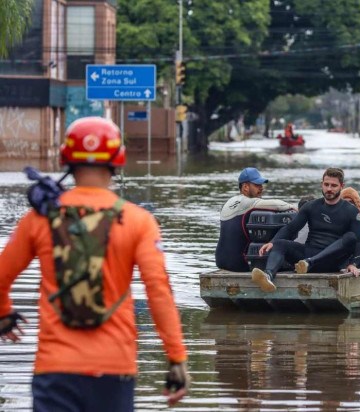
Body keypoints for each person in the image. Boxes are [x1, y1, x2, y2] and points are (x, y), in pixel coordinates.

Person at [0, 117, 189, 410]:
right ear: (118, 159)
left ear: (66, 159)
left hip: (55, 369)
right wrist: (176, 357)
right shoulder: (139, 221)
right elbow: (158, 292)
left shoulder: (39, 218)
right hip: (114, 369)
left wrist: (4, 313)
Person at [251, 168, 360, 293]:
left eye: (334, 185)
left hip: (332, 262)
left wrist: (353, 264)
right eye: (326, 184)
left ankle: (309, 262)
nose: (329, 189)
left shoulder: (351, 211)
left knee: (350, 237)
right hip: (306, 259)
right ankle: (268, 276)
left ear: (341, 186)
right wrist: (272, 242)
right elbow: (290, 228)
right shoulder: (311, 206)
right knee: (279, 243)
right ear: (321, 184)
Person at [215, 167, 295, 272]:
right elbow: (276, 204)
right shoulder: (248, 203)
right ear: (245, 187)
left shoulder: (229, 202)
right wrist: (296, 208)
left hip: (220, 260)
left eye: (261, 185)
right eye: (257, 185)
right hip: (239, 263)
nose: (261, 188)